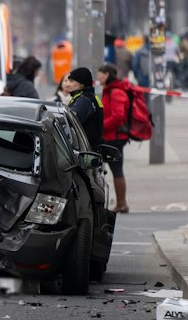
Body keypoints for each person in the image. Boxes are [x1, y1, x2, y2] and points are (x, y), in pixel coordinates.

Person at [100, 62, 147, 213]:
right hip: (111, 136)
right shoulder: (110, 91)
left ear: (107, 74)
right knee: (115, 170)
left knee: (117, 170)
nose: (98, 77)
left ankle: (122, 203)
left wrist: (100, 126)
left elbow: (117, 117)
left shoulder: (116, 92)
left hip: (114, 137)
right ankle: (121, 203)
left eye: (100, 74)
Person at [61, 66, 102, 151]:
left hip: (83, 150)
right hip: (91, 148)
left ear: (82, 84)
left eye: (72, 81)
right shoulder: (90, 98)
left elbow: (69, 123)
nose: (69, 84)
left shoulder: (83, 101)